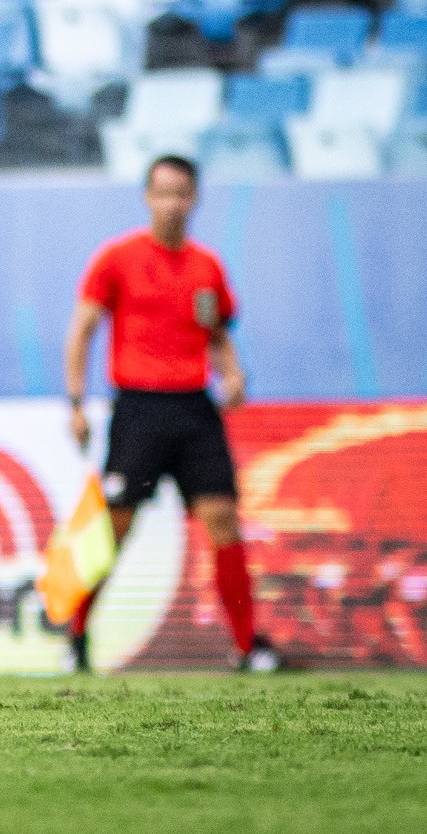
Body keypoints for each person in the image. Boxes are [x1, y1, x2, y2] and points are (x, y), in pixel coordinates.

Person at [64, 154, 281, 673]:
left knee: (222, 518)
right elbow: (83, 330)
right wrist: (75, 402)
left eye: (181, 192)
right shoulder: (116, 259)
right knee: (115, 528)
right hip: (137, 407)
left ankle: (249, 647)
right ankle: (74, 636)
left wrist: (232, 374)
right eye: (162, 192)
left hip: (193, 409)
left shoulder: (206, 267)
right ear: (146, 196)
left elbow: (217, 335)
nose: (172, 203)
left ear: (195, 198)